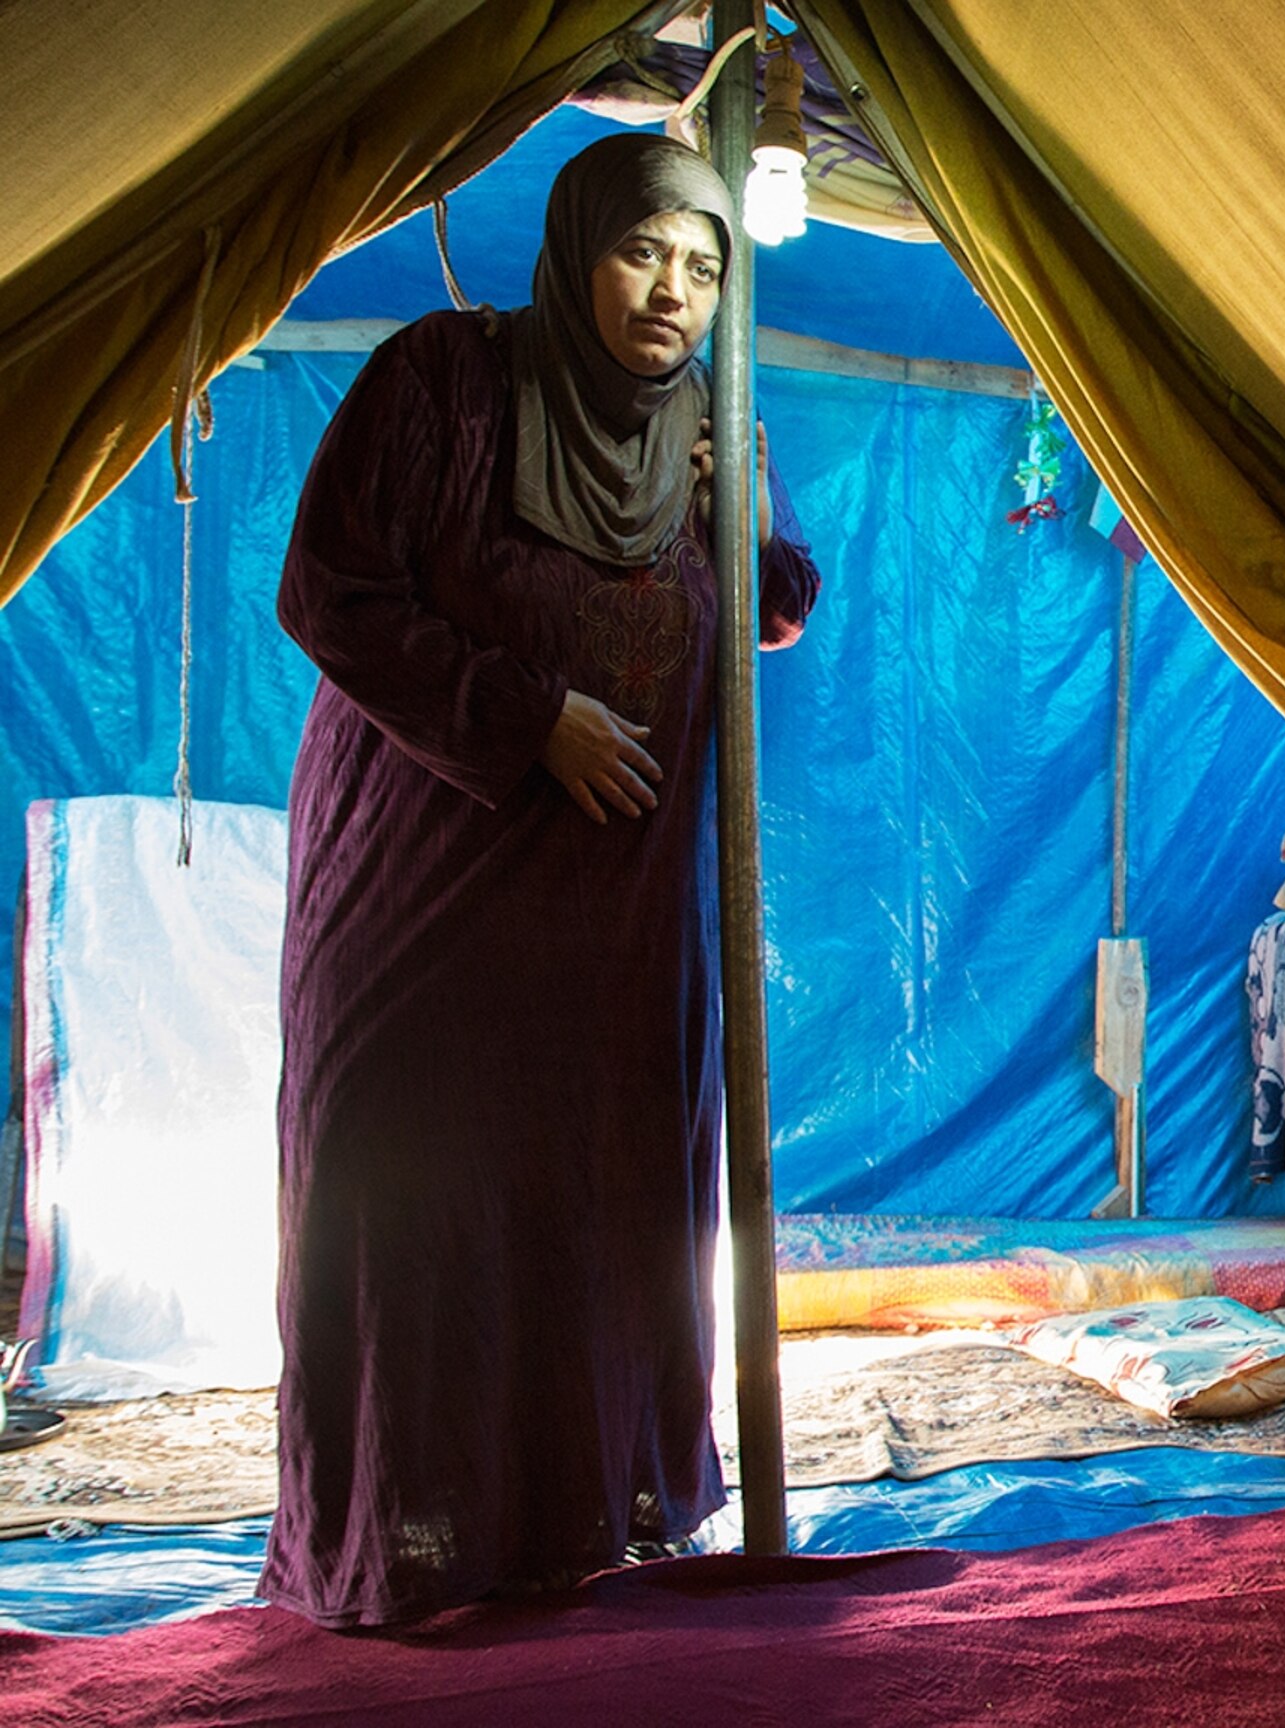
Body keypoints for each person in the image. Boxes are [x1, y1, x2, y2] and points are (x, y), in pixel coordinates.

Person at [261, 132, 822, 1628]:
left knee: (603, 1214)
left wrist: (738, 511)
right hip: (427, 914)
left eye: (706, 267)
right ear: (580, 246)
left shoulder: (713, 419)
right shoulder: (446, 383)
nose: (677, 291)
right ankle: (416, 1554)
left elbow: (761, 615)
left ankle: (590, 1531)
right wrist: (528, 719)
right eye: (647, 249)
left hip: (621, 937)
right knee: (423, 1216)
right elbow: (328, 588)